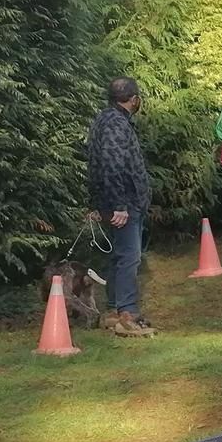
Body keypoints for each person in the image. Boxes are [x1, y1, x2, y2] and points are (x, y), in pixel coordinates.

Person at [87, 75, 155, 338]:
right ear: (134, 99)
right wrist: (120, 205)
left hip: (111, 201)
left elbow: (94, 164)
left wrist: (95, 202)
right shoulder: (117, 124)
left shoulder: (103, 119)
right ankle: (127, 313)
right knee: (129, 256)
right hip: (123, 202)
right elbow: (113, 165)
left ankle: (113, 310)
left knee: (118, 256)